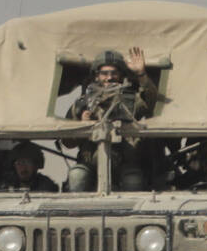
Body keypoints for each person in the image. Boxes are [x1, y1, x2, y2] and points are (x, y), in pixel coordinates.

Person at [65, 48, 157, 191]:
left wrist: (141, 74)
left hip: (125, 162)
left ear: (120, 75)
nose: (109, 77)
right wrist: (81, 125)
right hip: (91, 162)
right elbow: (67, 142)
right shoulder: (82, 103)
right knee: (77, 176)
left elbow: (151, 101)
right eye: (104, 73)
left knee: (133, 181)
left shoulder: (131, 100)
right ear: (97, 76)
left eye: (114, 73)